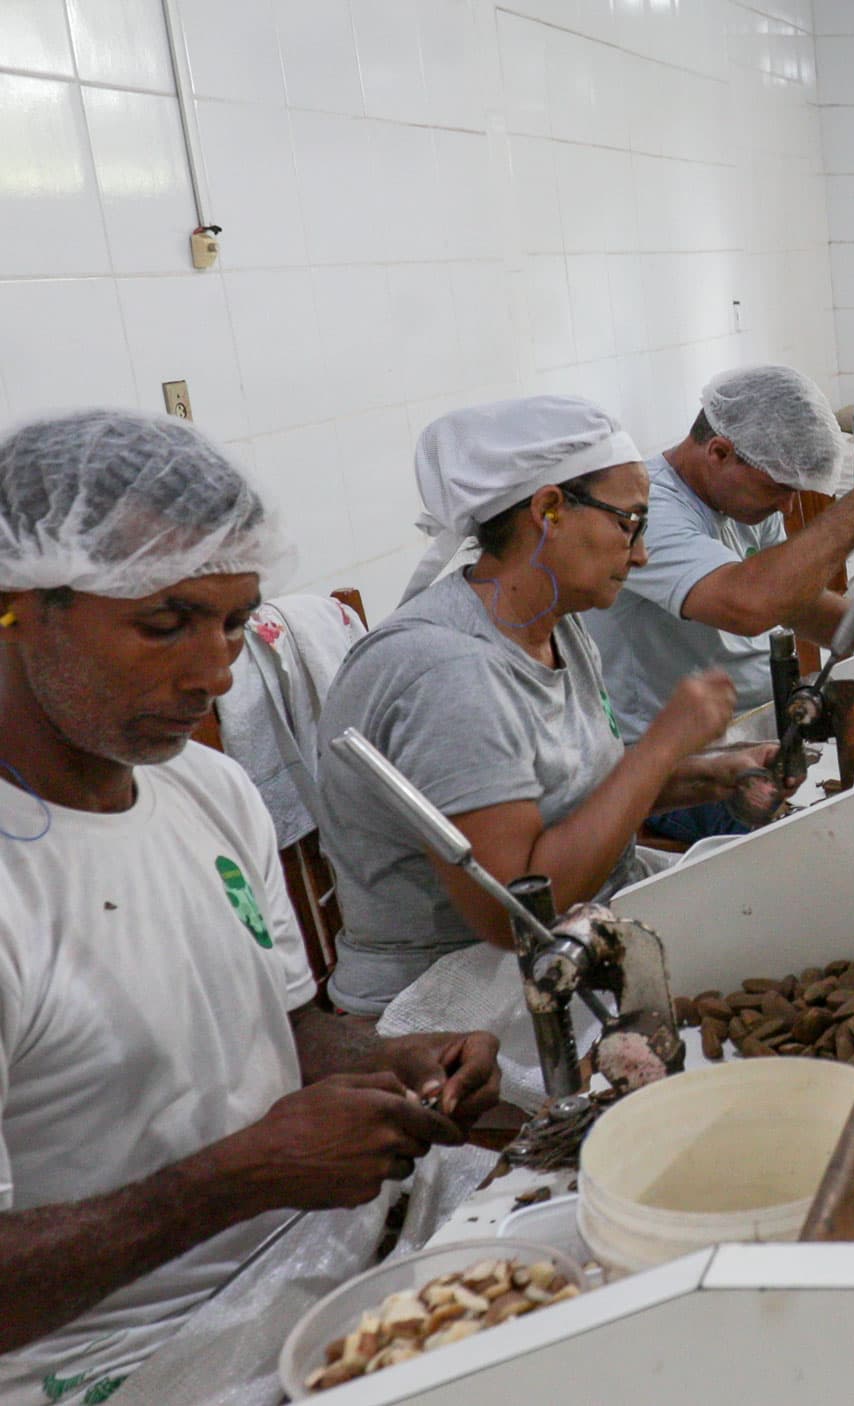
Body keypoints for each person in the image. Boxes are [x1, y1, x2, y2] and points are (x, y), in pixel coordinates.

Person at [0, 409, 499, 1402]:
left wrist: (393, 1057)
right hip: (116, 1362)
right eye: (165, 621)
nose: (217, 671)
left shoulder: (207, 789)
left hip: (304, 1265)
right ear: (18, 604)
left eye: (234, 620)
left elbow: (280, 1027)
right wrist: (237, 1177)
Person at [318, 397, 786, 1017]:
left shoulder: (555, 627)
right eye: (630, 524)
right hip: (455, 997)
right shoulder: (450, 673)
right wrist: (664, 744)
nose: (641, 554)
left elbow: (581, 792)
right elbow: (516, 911)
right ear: (549, 510)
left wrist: (719, 772)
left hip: (580, 927)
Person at [580, 367, 854, 842]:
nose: (785, 508)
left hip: (754, 731)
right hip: (672, 769)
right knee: (851, 835)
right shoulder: (650, 510)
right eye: (779, 489)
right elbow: (751, 604)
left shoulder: (740, 502)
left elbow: (791, 601)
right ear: (719, 452)